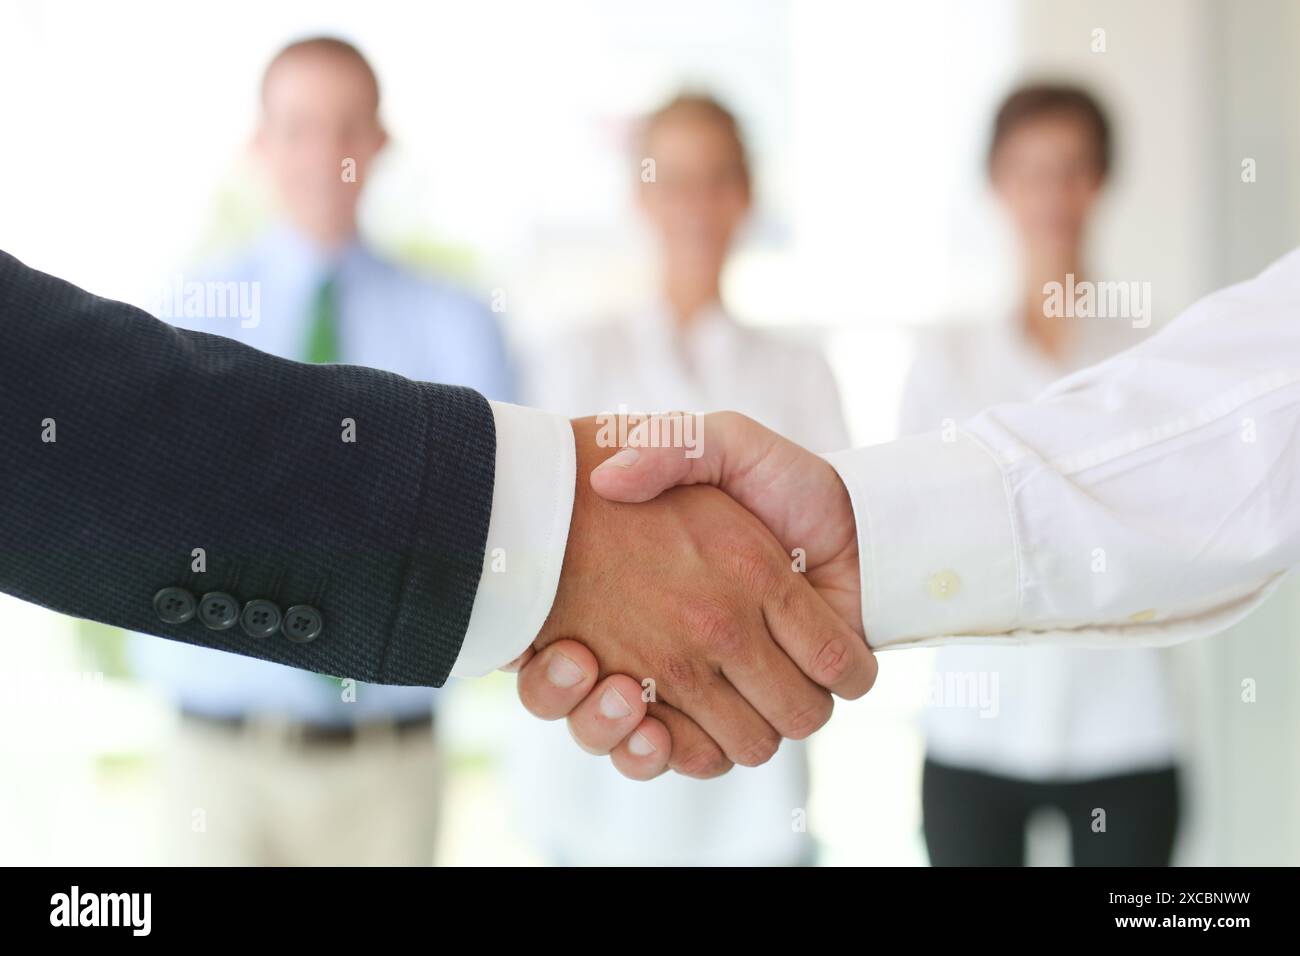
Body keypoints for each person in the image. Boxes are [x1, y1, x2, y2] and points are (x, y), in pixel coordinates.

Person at [514, 237, 1300, 781]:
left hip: (1124, 724)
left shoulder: (1142, 329)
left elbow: (1234, 425)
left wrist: (856, 544)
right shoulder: (575, 346)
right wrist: (862, 540)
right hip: (959, 729)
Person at [126, 36, 514, 865]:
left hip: (388, 771)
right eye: (298, 128)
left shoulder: (456, 325)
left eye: (348, 127)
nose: (325, 155)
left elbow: (489, 534)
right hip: (218, 765)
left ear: (380, 143)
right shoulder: (185, 315)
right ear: (259, 144)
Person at [512, 93, 849, 865]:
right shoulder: (572, 356)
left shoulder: (801, 373)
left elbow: (828, 572)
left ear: (747, 194)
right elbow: (537, 557)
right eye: (675, 180)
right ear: (641, 194)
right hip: (592, 790)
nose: (697, 205)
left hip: (756, 800)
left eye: (718, 178)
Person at [900, 85, 1181, 866]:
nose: (1052, 195)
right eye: (1030, 170)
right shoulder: (945, 361)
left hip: (1126, 728)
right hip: (974, 732)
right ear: (997, 183)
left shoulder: (1154, 354)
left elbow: (1171, 533)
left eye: (1071, 169)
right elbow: (917, 534)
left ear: (1100, 181)